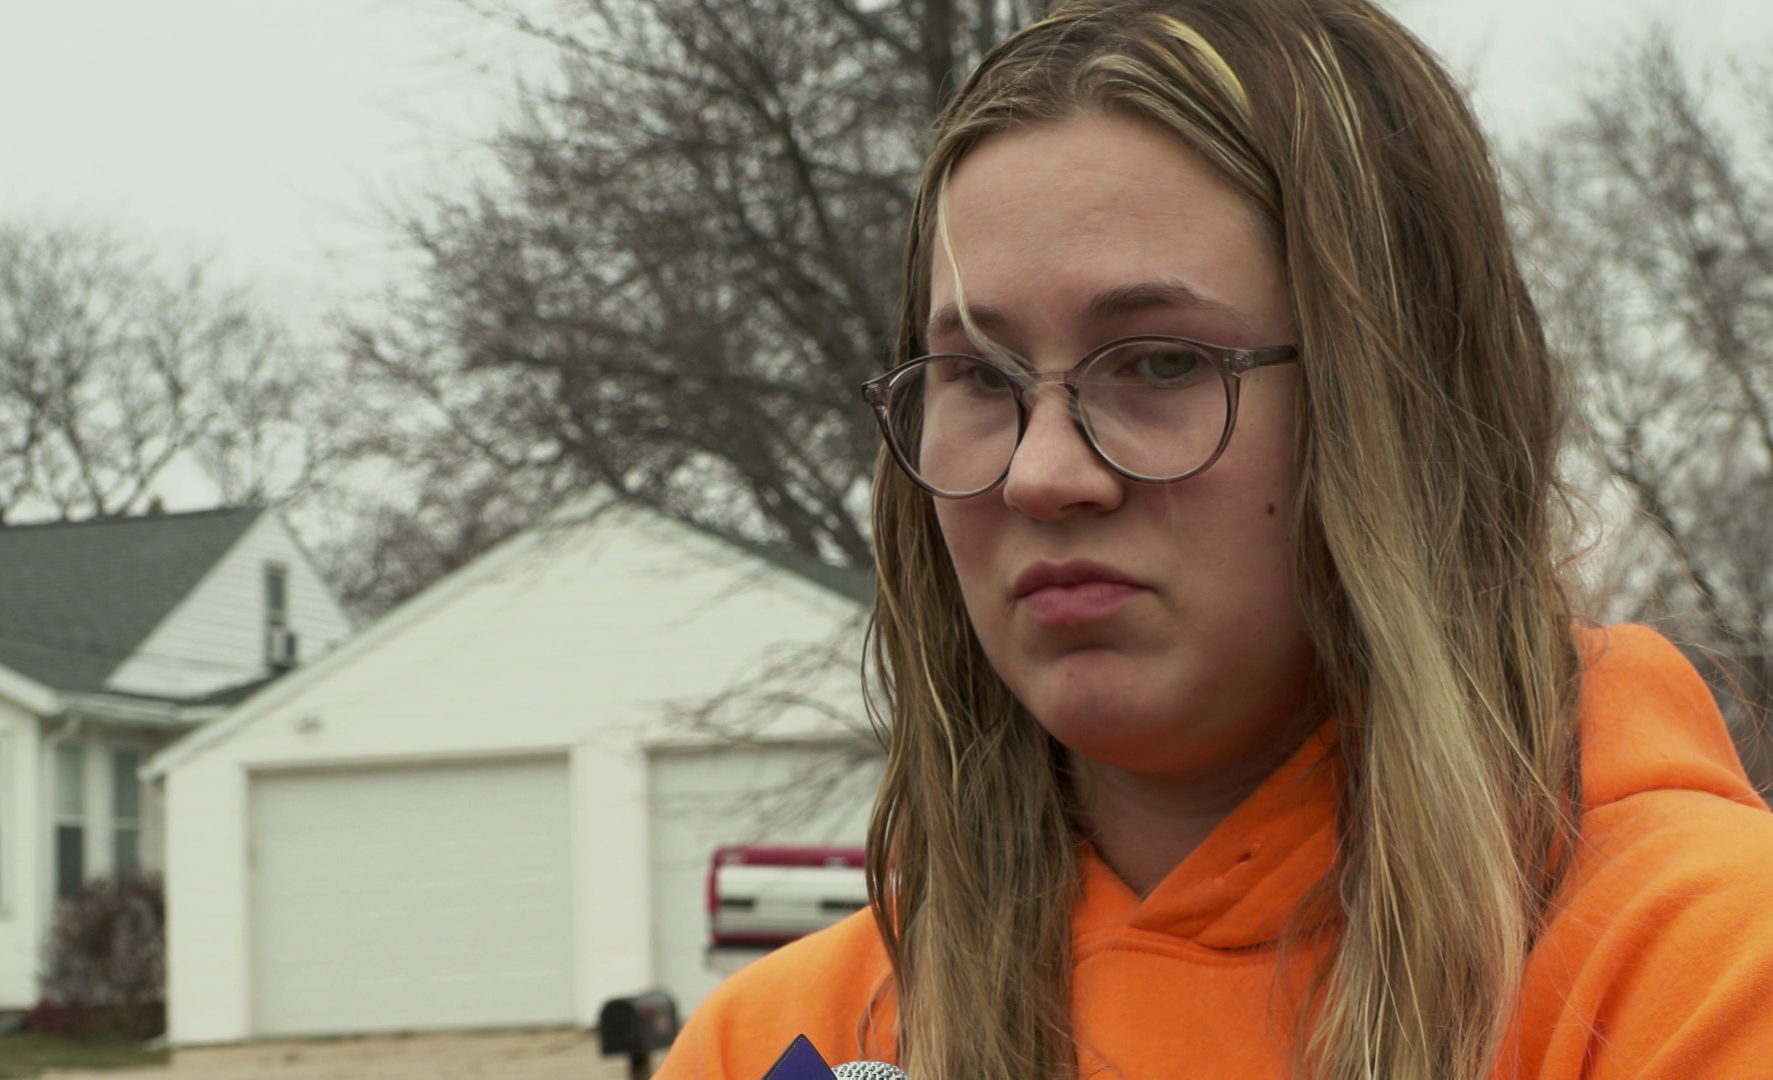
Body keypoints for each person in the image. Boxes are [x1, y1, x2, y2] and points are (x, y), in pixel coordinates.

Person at [655, 1, 1773, 1077]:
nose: (1044, 474)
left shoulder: (1693, 973)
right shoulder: (787, 1043)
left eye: (1160, 362)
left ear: (1401, 405)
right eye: (981, 378)